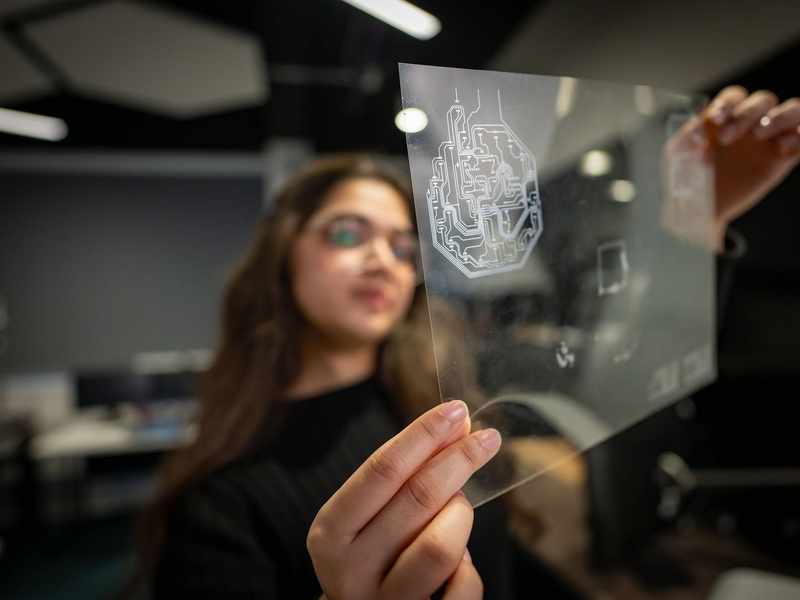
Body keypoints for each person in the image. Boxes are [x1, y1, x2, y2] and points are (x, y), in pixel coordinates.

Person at [138, 86, 800, 599]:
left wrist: (693, 224)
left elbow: (633, 372)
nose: (383, 260)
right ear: (284, 258)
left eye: (403, 247)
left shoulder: (445, 386)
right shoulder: (221, 502)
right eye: (348, 234)